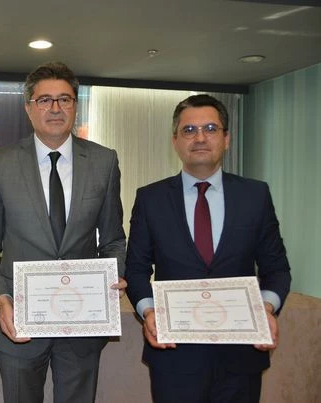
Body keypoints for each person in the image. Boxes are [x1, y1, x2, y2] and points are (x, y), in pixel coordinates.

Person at [0, 62, 127, 403]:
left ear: (75, 106)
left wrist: (112, 275)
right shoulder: (0, 164)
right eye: (44, 100)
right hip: (19, 323)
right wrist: (0, 300)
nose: (55, 108)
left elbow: (113, 239)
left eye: (64, 99)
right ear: (28, 108)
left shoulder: (103, 162)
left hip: (83, 325)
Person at [125, 94, 291, 403]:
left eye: (211, 129)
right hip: (174, 357)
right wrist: (148, 311)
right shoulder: (150, 199)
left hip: (241, 355)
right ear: (175, 141)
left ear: (226, 139)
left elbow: (277, 268)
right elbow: (135, 269)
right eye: (189, 130)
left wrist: (266, 309)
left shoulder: (255, 195)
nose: (200, 137)